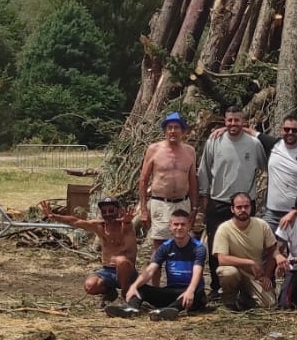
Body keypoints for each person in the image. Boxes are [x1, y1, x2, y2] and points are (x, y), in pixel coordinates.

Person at [198, 109, 266, 294]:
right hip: (219, 200)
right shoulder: (215, 140)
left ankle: (244, 285)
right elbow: (204, 169)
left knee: (244, 245)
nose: (232, 124)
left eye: (237, 120)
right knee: (215, 246)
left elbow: (267, 166)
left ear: (244, 122)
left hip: (245, 203)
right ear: (224, 121)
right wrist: (204, 195)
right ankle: (216, 286)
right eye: (229, 120)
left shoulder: (253, 144)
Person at [112, 211, 207, 319]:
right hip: (172, 291)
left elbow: (197, 272)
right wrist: (134, 286)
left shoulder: (198, 248)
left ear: (189, 226)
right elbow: (151, 269)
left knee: (198, 293)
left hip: (191, 292)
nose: (179, 227)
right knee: (140, 287)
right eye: (176, 224)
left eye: (183, 224)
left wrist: (190, 291)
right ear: (170, 226)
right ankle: (131, 309)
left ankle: (167, 311)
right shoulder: (166, 247)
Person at [52, 195, 138, 304]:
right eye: (104, 211)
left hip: (127, 270)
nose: (108, 214)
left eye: (111, 210)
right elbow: (76, 221)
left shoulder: (126, 226)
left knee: (121, 261)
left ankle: (126, 294)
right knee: (90, 286)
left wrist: (127, 221)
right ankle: (109, 292)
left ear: (119, 211)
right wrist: (54, 216)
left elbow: (127, 224)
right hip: (107, 270)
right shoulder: (99, 226)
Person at [138, 114, 199, 248]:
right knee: (159, 244)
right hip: (161, 203)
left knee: (182, 243)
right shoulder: (154, 149)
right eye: (169, 127)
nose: (172, 131)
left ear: (183, 131)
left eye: (176, 127)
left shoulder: (190, 151)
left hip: (183, 203)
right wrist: (143, 209)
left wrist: (194, 208)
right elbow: (143, 180)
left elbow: (193, 181)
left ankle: (177, 269)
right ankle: (156, 268)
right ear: (165, 131)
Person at [211, 192, 278, 311]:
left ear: (251, 208)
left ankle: (245, 298)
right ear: (232, 209)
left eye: (246, 207)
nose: (243, 210)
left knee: (269, 304)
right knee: (228, 273)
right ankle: (229, 300)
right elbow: (222, 259)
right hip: (233, 270)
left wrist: (267, 275)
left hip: (254, 275)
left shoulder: (261, 225)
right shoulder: (224, 229)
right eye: (239, 207)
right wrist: (249, 262)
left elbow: (273, 250)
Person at [261, 114, 297, 231]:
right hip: (271, 213)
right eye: (287, 129)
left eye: (294, 130)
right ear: (281, 130)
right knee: (267, 247)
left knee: (294, 249)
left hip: (296, 213)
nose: (290, 132)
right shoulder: (273, 145)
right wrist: (225, 127)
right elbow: (250, 132)